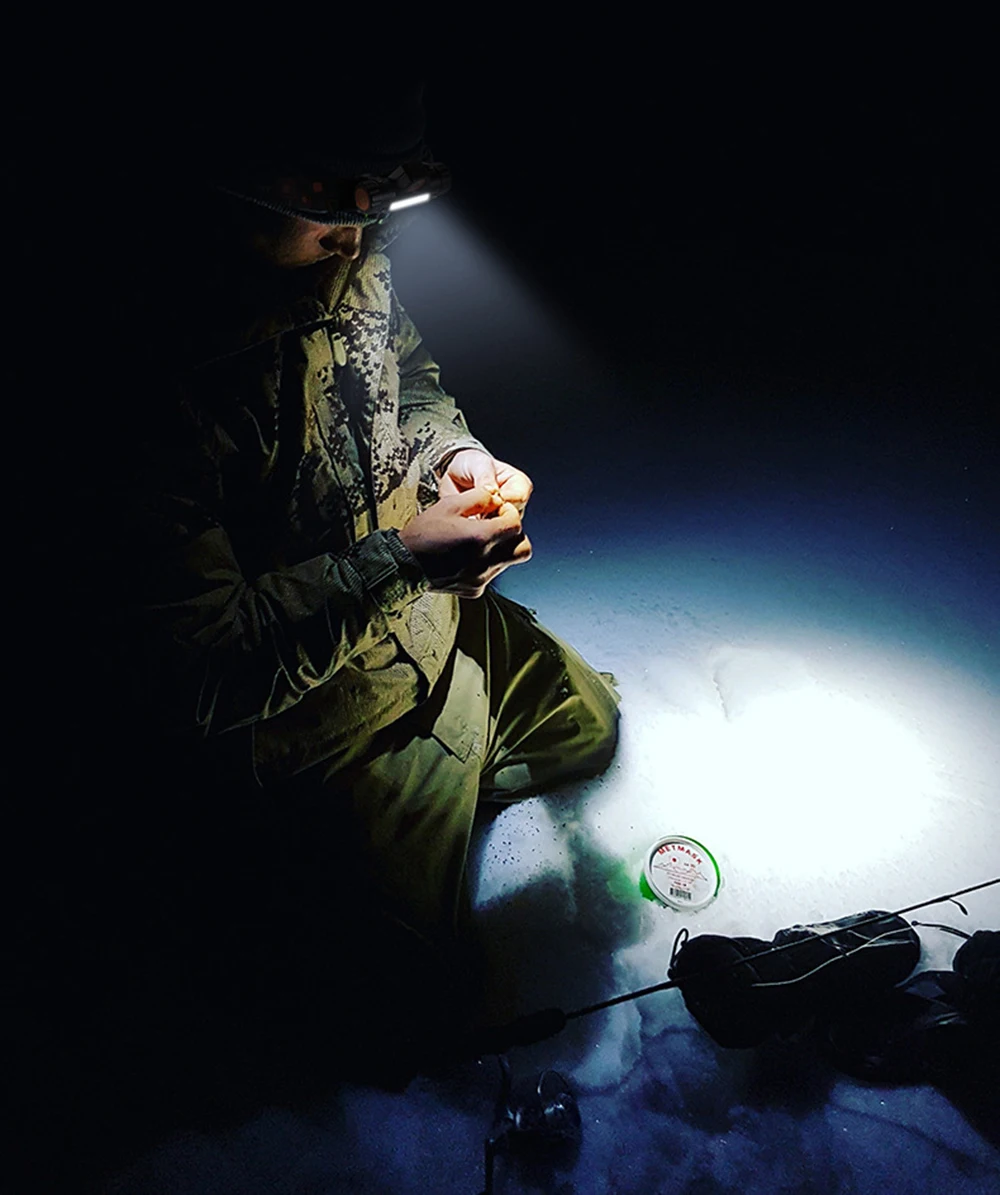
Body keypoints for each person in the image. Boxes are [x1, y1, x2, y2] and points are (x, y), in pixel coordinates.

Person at [68, 73, 621, 1087]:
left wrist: (454, 459)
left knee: (594, 729)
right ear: (232, 175)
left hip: (435, 633)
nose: (359, 224)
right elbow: (200, 667)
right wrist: (404, 561)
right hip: (314, 736)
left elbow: (409, 381)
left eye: (380, 194)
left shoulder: (349, 256)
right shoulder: (142, 376)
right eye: (328, 192)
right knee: (399, 1018)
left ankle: (444, 811)